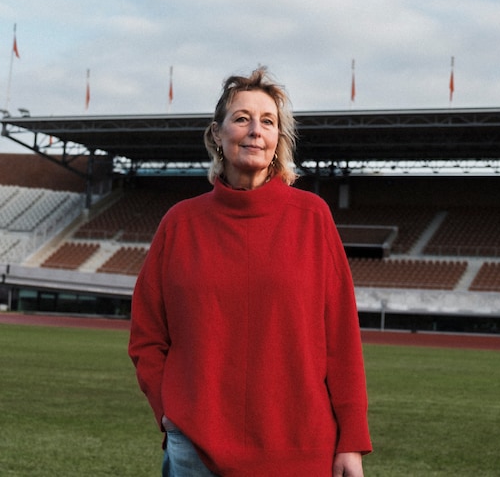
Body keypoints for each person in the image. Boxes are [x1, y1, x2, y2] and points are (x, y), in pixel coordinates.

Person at [129, 66, 371, 476]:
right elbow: (148, 334)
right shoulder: (180, 223)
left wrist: (351, 440)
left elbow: (342, 341)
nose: (256, 130)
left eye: (268, 121)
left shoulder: (313, 218)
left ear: (278, 140)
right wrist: (172, 413)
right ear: (217, 134)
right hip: (196, 452)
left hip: (298, 451)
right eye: (242, 118)